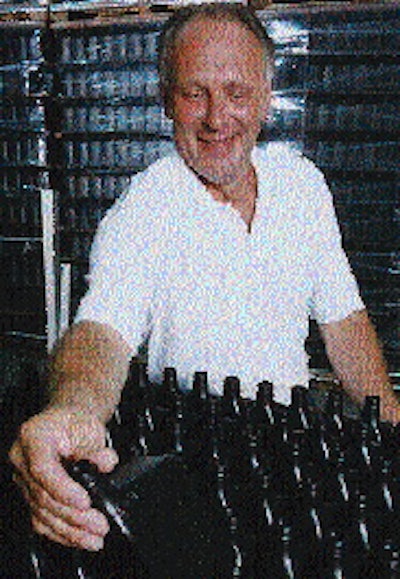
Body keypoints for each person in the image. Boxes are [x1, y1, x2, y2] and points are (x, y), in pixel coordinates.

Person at [9, 3, 399, 553]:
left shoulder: (303, 186)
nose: (218, 118)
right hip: (201, 468)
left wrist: (392, 433)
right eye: (195, 94)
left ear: (266, 96)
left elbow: (345, 320)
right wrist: (73, 408)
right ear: (166, 100)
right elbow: (102, 331)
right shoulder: (143, 210)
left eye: (237, 93)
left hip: (293, 448)